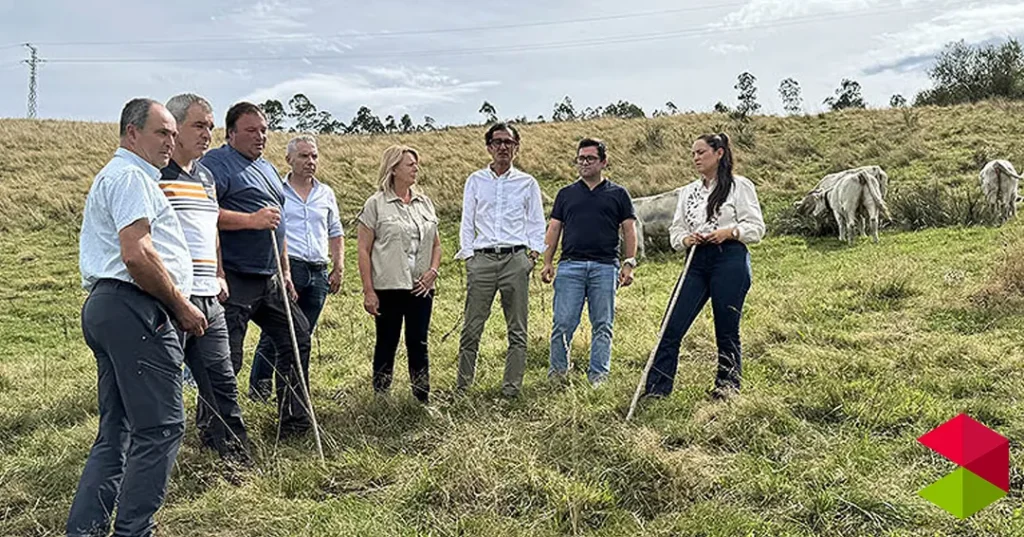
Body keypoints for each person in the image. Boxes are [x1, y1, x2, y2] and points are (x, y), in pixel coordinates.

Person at [68, 98, 207, 537]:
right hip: (137, 310)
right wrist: (182, 305)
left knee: (117, 429)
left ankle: (87, 529)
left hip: (110, 307)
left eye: (172, 133)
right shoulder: (131, 176)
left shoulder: (121, 175)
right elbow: (138, 252)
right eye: (162, 132)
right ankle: (134, 530)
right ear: (132, 133)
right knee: (162, 426)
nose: (171, 141)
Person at [200, 102, 312, 436]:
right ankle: (214, 429)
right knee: (227, 357)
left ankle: (294, 421)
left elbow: (279, 226)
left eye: (264, 130)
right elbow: (204, 212)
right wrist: (250, 221)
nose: (260, 136)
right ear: (231, 133)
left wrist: (286, 270)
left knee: (298, 336)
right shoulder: (216, 164)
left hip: (271, 278)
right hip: (235, 276)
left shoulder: (266, 169)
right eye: (251, 130)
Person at [160, 93, 250, 463]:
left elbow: (210, 226)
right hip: (168, 299)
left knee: (222, 380)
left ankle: (233, 456)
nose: (207, 135)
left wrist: (218, 272)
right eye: (198, 126)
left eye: (210, 127)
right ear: (174, 128)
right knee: (163, 386)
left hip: (209, 298)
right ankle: (156, 463)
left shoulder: (207, 176)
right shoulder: (155, 175)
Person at [642, 133, 765, 401]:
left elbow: (756, 228)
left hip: (729, 258)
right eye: (693, 154)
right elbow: (676, 229)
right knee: (671, 324)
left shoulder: (740, 186)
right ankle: (656, 390)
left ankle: (727, 387)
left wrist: (729, 232)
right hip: (695, 261)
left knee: (726, 325)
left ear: (719, 153)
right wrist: (686, 239)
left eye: (701, 152)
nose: (695, 158)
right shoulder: (688, 192)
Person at [455, 122, 546, 397]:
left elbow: (536, 222)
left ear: (516, 148)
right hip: (482, 260)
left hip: (515, 260)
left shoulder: (527, 183)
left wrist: (531, 256)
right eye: (498, 142)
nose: (503, 147)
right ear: (489, 147)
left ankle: (511, 389)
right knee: (471, 328)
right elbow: (467, 221)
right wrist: (469, 256)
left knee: (517, 329)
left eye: (509, 142)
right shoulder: (475, 181)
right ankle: (463, 387)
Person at [250, 134, 344, 398]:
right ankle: (259, 388)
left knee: (303, 334)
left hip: (318, 269)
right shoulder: (277, 191)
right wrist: (282, 270)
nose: (310, 161)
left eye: (314, 156)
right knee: (276, 333)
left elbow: (335, 230)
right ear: (288, 159)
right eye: (304, 156)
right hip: (289, 267)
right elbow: (274, 230)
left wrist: (338, 266)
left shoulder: (326, 193)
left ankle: (291, 390)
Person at [541, 138, 638, 386]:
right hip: (570, 266)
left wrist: (629, 263)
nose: (584, 163)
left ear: (603, 162)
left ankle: (598, 377)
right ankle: (558, 375)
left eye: (590, 158)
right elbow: (554, 229)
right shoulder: (566, 194)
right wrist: (547, 261)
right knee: (562, 323)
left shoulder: (618, 194)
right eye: (581, 158)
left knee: (603, 325)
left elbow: (629, 230)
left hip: (605, 267)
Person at [356, 145, 441, 403]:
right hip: (388, 286)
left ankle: (422, 398)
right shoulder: (376, 204)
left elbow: (436, 244)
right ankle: (381, 398)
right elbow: (363, 249)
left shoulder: (424, 203)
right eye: (409, 164)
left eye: (416, 163)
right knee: (387, 342)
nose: (416, 168)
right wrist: (368, 291)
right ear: (393, 169)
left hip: (421, 286)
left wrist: (433, 271)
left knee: (419, 343)